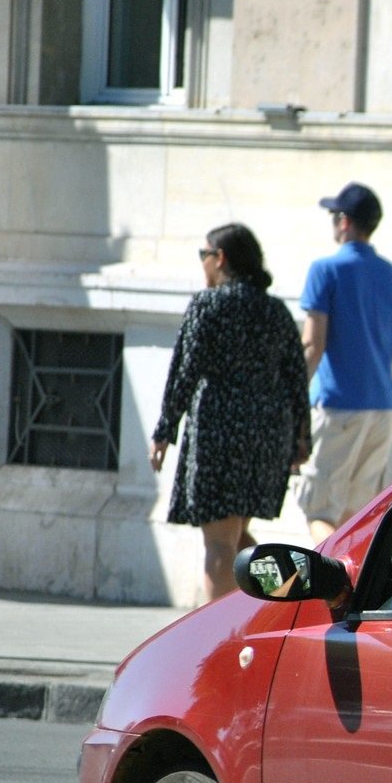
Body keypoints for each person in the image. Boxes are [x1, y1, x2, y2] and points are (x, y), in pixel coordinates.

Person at [150, 223, 310, 604]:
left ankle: (219, 639)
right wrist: (301, 439)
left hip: (219, 432)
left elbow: (183, 372)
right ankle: (287, 600)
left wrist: (164, 431)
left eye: (203, 255)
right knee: (236, 537)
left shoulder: (208, 305)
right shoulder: (275, 311)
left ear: (220, 258)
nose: (202, 264)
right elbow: (296, 377)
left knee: (220, 545)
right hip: (265, 438)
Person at [299, 181, 392, 541]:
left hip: (339, 407)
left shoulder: (324, 271)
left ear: (344, 222)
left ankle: (335, 590)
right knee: (354, 518)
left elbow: (313, 345)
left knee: (319, 511)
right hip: (384, 412)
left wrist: (289, 400)